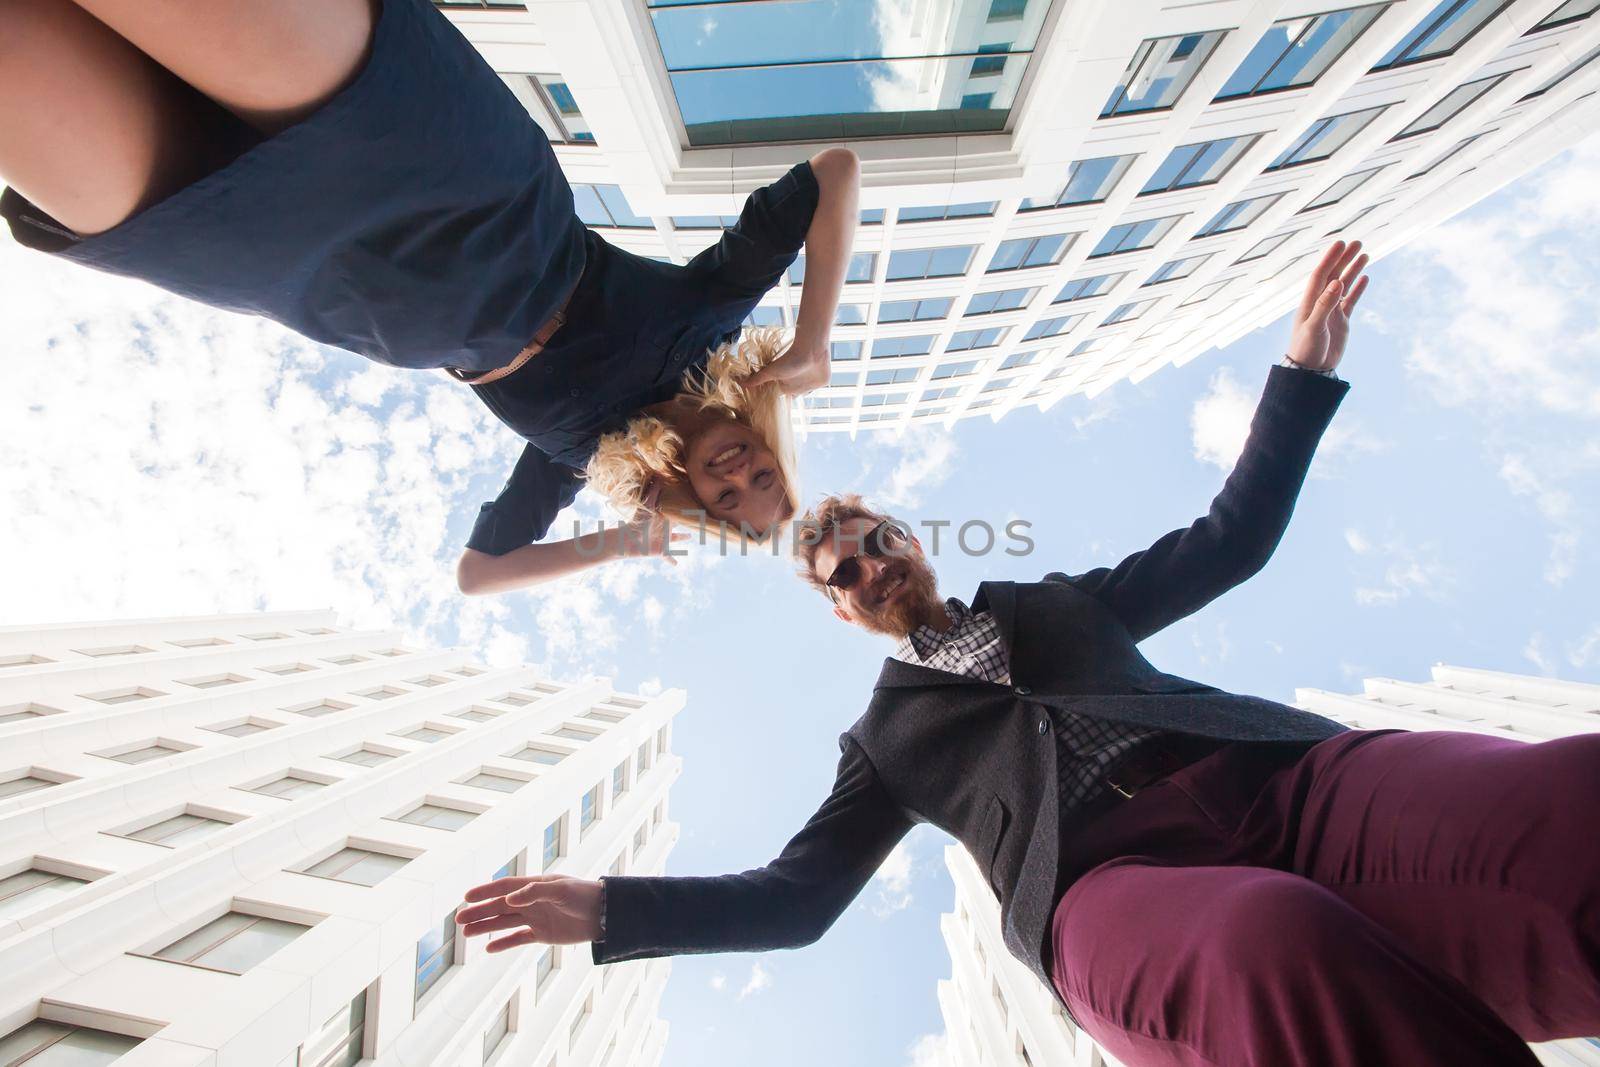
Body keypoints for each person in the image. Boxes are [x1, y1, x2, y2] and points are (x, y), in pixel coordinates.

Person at [456, 242, 1600, 1065]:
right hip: (1107, 888)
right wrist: (610, 906)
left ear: (912, 542)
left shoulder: (1059, 603)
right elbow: (794, 897)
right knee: (1268, 941)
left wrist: (1299, 374)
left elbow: (1230, 540)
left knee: (1556, 803)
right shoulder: (890, 740)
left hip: (1281, 782)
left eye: (875, 543)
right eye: (841, 573)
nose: (866, 567)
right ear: (842, 612)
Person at [0, 0, 858, 589]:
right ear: (769, 438)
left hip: (328, 274)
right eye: (764, 475)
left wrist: (619, 545)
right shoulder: (717, 323)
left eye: (730, 502)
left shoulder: (585, 456)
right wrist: (813, 338)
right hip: (453, 170)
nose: (738, 478)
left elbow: (481, 572)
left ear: (696, 502)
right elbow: (832, 174)